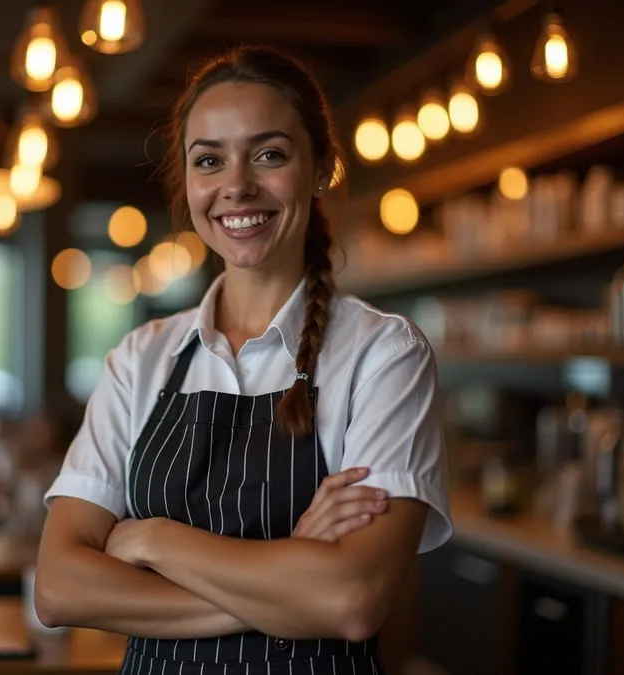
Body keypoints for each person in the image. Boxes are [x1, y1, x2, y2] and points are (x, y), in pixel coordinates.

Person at [35, 46, 452, 675]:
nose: (236, 185)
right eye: (210, 160)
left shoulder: (383, 354)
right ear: (188, 181)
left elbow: (353, 599)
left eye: (269, 154)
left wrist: (150, 539)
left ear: (320, 170)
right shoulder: (141, 358)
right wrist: (289, 574)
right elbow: (60, 586)